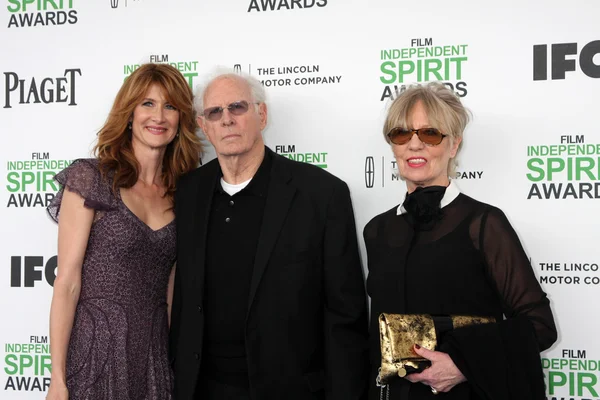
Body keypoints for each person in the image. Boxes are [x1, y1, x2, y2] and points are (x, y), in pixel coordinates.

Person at [169, 70, 369, 400]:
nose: (227, 120)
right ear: (203, 127)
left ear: (261, 114)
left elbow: (345, 317)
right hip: (203, 389)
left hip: (290, 389)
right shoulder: (189, 193)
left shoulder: (320, 194)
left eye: (237, 107)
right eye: (215, 112)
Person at [364, 82, 557, 400]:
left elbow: (539, 325)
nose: (414, 145)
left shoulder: (483, 224)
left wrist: (463, 364)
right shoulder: (377, 230)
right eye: (402, 134)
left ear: (453, 145)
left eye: (429, 134)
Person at [45, 63, 202, 400]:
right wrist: (57, 379)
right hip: (94, 358)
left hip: (153, 360)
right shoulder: (92, 179)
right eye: (148, 103)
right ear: (129, 113)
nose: (159, 116)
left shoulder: (183, 194)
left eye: (170, 106)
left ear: (180, 120)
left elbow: (173, 289)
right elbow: (68, 281)